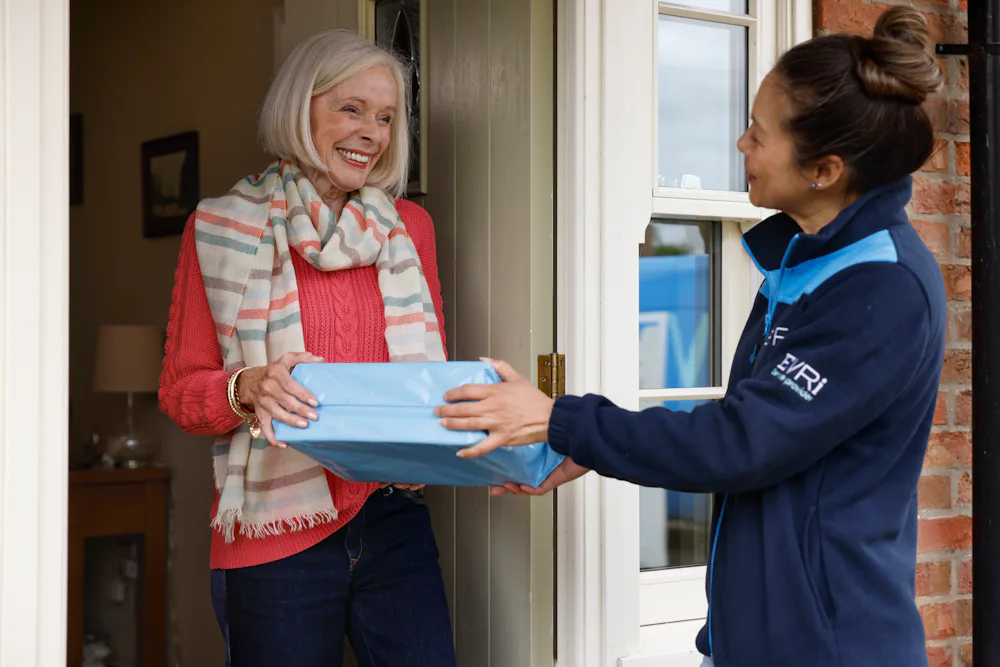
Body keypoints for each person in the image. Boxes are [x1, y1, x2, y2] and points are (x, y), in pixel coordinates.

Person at [436, 7, 946, 667]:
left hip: (828, 648)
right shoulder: (808, 257)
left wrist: (560, 419)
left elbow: (740, 444)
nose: (741, 146)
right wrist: (593, 445)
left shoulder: (881, 289)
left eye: (759, 134)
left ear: (823, 169)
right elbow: (764, 430)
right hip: (754, 641)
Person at [159, 30, 455, 667]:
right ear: (301, 108)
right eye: (349, 109)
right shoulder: (218, 227)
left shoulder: (411, 231)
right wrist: (248, 387)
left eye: (383, 117)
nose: (369, 132)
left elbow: (425, 384)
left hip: (391, 516)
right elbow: (182, 390)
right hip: (275, 529)